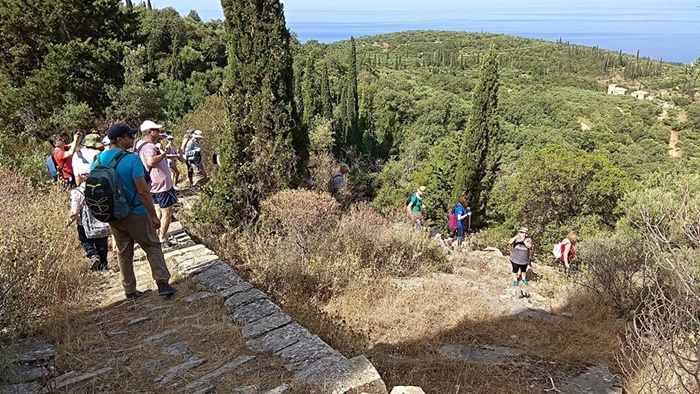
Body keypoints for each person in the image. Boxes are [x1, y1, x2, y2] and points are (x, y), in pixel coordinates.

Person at [93, 123, 177, 299]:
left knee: (124, 253)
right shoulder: (131, 159)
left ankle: (129, 291)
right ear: (119, 139)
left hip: (114, 214)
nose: (133, 139)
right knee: (152, 245)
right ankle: (163, 284)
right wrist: (153, 216)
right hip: (135, 212)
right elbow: (143, 191)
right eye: (129, 136)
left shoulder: (99, 160)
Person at [137, 121, 179, 248]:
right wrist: (164, 154)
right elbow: (151, 162)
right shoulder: (149, 147)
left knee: (157, 210)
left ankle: (155, 236)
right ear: (150, 132)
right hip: (161, 184)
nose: (159, 132)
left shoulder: (139, 144)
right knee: (167, 212)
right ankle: (161, 239)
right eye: (157, 130)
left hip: (152, 184)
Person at [66, 169, 110, 271]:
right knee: (102, 243)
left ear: (81, 177)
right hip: (101, 220)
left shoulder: (77, 192)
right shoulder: (101, 189)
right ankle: (104, 265)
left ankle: (93, 255)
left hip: (84, 224)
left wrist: (68, 222)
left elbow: (74, 211)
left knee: (85, 241)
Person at [507, 227, 532, 296]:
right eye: (521, 232)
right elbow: (509, 242)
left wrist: (523, 240)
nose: (521, 234)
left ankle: (523, 279)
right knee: (515, 270)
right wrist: (516, 237)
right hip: (515, 258)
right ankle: (515, 280)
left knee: (523, 270)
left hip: (524, 259)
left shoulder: (528, 239)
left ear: (526, 234)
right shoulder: (516, 238)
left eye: (523, 233)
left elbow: (529, 246)